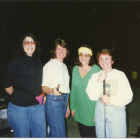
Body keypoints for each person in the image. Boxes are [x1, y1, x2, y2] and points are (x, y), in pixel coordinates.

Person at [2, 33, 46, 137]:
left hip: (38, 107)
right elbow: (6, 83)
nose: (30, 45)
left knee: (41, 136)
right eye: (27, 42)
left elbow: (40, 81)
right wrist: (18, 96)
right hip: (19, 109)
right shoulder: (16, 61)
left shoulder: (38, 61)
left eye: (32, 42)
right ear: (22, 45)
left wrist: (43, 95)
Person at [86, 49, 133, 138]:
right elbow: (91, 95)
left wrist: (111, 100)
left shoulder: (120, 75)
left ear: (112, 60)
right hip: (100, 111)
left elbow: (128, 96)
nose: (104, 61)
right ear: (98, 62)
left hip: (116, 111)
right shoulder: (95, 76)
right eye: (101, 59)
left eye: (107, 58)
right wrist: (99, 80)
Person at [70, 45, 101, 138]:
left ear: (90, 56)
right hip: (79, 110)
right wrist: (72, 106)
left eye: (87, 55)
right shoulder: (75, 69)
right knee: (83, 135)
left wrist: (98, 112)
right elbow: (73, 89)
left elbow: (101, 92)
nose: (83, 57)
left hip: (92, 111)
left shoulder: (96, 69)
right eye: (81, 54)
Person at [42, 38, 70, 137]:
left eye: (64, 49)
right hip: (54, 101)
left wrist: (67, 105)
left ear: (67, 51)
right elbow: (43, 87)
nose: (61, 52)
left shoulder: (64, 66)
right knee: (59, 134)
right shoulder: (50, 65)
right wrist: (52, 90)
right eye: (58, 49)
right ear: (54, 51)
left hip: (63, 100)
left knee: (55, 133)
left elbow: (66, 88)